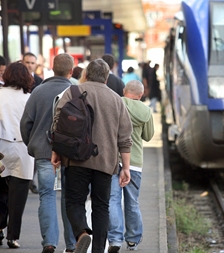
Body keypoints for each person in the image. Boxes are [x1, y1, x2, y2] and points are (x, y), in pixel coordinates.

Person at [51, 58, 133, 253]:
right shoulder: (116, 99)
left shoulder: (71, 92)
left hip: (75, 157)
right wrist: (126, 168)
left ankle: (81, 233)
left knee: (74, 201)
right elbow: (125, 138)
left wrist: (56, 151)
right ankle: (98, 250)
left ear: (85, 74)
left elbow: (57, 124)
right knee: (101, 207)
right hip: (105, 161)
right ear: (106, 77)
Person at [20, 53, 77, 253]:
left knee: (46, 195)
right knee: (69, 197)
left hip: (44, 153)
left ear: (52, 69)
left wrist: (33, 144)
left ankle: (50, 243)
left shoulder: (38, 91)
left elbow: (26, 123)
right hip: (71, 155)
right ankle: (71, 245)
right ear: (71, 71)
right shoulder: (76, 90)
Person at [0, 62, 34, 249]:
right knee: (18, 195)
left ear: (7, 76)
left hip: (0, 148)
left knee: (0, 189)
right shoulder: (29, 98)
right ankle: (13, 236)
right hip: (24, 150)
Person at [107, 80, 154, 252]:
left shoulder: (116, 102)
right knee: (132, 201)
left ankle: (115, 239)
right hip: (134, 162)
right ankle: (133, 239)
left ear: (124, 91)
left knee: (113, 200)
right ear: (141, 95)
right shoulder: (146, 111)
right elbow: (148, 136)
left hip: (113, 159)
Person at [22, 52, 43, 194]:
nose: (29, 65)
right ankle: (25, 179)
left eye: (32, 63)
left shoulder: (40, 81)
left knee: (32, 152)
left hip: (35, 121)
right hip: (20, 119)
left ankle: (31, 179)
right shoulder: (17, 79)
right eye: (27, 62)